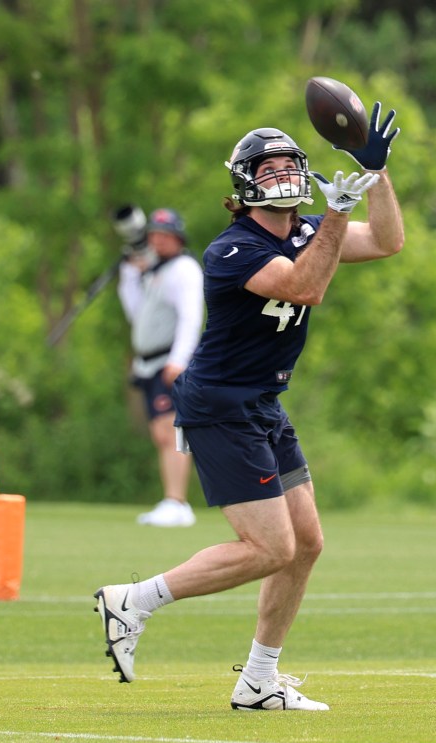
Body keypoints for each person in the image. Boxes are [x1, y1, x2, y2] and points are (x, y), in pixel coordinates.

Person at [96, 100, 404, 709]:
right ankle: (131, 602)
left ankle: (259, 680)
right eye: (268, 168)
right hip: (219, 405)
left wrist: (374, 173)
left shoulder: (316, 227)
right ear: (244, 182)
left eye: (290, 163)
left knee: (307, 543)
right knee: (271, 549)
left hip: (263, 401)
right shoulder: (230, 250)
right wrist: (336, 216)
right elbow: (305, 286)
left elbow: (390, 241)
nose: (283, 175)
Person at [117, 208, 204, 527]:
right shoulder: (155, 271)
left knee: (171, 432)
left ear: (178, 239)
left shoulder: (183, 269)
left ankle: (177, 502)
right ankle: (172, 500)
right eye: (153, 235)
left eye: (164, 235)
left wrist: (179, 359)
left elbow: (190, 316)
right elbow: (136, 313)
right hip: (149, 363)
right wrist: (129, 274)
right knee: (160, 433)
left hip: (171, 361)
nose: (157, 241)